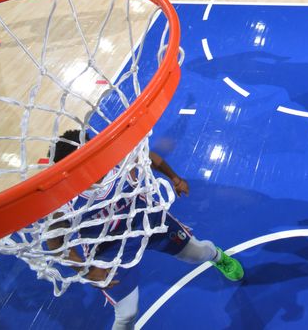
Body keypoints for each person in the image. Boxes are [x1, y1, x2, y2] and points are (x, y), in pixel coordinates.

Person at [48, 130, 244, 330]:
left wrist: (174, 178)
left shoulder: (115, 157)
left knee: (198, 253)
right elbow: (55, 243)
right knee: (127, 314)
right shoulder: (64, 200)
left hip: (148, 221)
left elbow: (151, 157)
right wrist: (86, 270)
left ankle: (219, 257)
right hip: (108, 248)